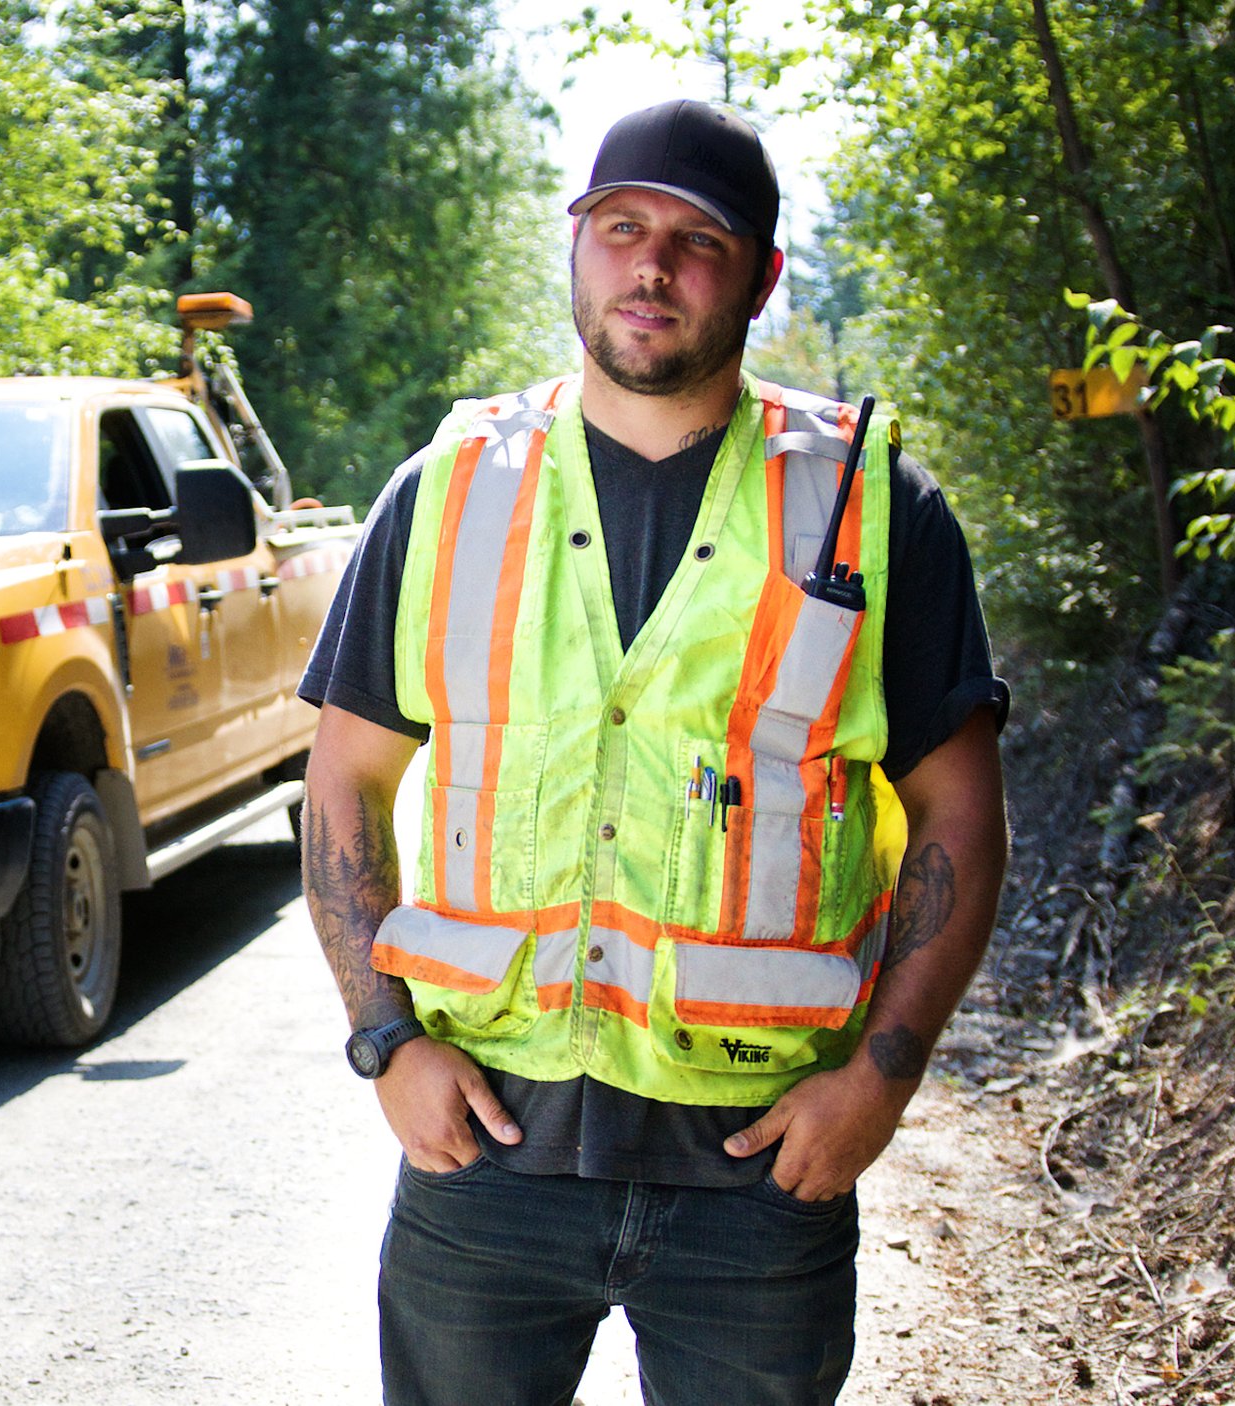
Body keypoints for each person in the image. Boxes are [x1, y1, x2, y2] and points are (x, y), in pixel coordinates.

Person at [297, 98, 1011, 1406]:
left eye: (698, 242)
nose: (652, 266)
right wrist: (387, 1042)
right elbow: (345, 779)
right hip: (484, 1166)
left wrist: (881, 1079)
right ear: (577, 245)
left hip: (756, 1178)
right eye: (622, 228)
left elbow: (960, 814)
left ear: (761, 280)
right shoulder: (447, 491)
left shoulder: (872, 511)